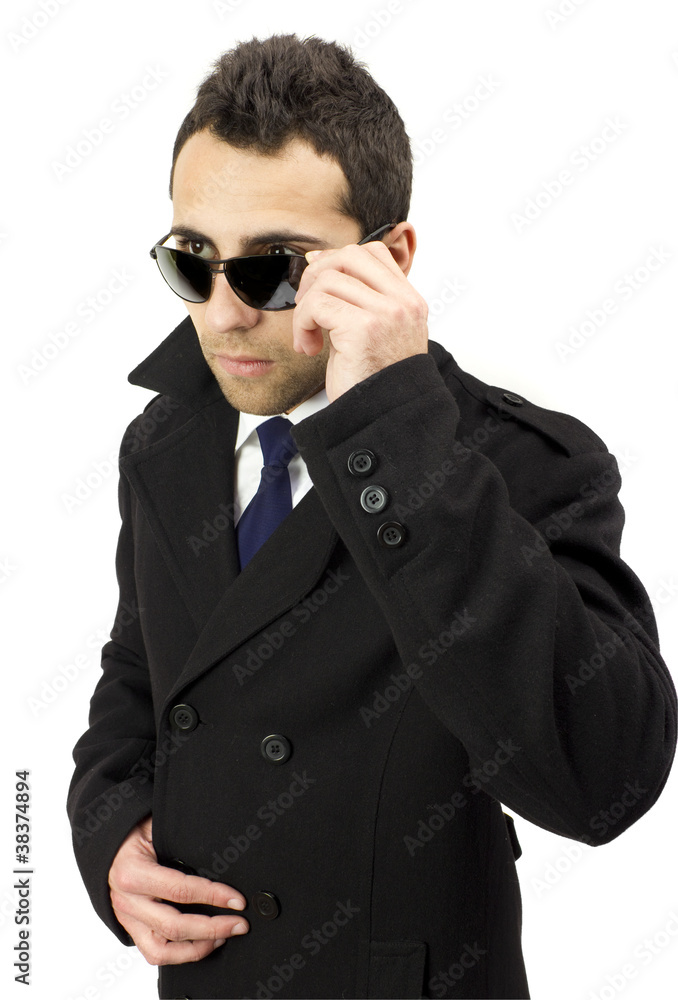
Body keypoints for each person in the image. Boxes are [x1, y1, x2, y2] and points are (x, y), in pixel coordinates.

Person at [67, 32, 676, 1000]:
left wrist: (396, 433)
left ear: (390, 259)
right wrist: (106, 829)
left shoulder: (524, 463)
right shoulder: (167, 442)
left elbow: (603, 783)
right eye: (193, 261)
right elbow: (141, 670)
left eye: (273, 269)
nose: (223, 315)